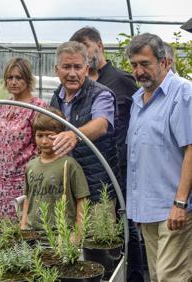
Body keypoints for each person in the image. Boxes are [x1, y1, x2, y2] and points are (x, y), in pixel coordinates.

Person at [70, 26, 144, 282]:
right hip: (95, 167)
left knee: (127, 224)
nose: (83, 56)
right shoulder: (83, 84)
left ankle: (134, 275)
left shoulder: (121, 79)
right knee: (99, 228)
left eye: (86, 49)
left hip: (122, 163)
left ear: (99, 47)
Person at [126, 32, 192, 282]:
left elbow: (191, 150)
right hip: (148, 209)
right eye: (134, 65)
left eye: (145, 63)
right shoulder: (138, 100)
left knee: (170, 277)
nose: (139, 71)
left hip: (173, 209)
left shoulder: (183, 93)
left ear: (164, 62)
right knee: (156, 276)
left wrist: (180, 203)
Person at [50, 41, 119, 206]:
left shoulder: (100, 94)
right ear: (56, 70)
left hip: (96, 188)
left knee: (98, 230)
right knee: (63, 231)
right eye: (66, 67)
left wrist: (74, 135)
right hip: (65, 187)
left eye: (78, 67)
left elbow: (101, 125)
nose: (72, 73)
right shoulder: (56, 97)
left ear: (86, 69)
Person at [0, 57, 46, 229]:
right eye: (10, 78)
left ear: (28, 79)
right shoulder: (3, 107)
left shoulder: (37, 107)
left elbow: (42, 149)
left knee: (18, 232)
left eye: (19, 77)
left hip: (21, 182)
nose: (14, 82)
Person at [20, 107, 90, 234]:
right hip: (33, 232)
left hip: (61, 232)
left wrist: (78, 233)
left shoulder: (69, 165)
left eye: (50, 136)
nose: (44, 141)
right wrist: (23, 224)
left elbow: (81, 200)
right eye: (40, 136)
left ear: (60, 135)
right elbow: (27, 198)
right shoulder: (31, 166)